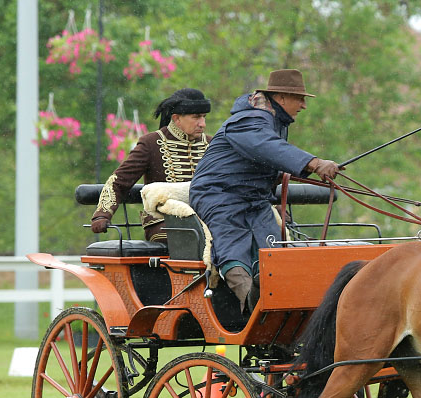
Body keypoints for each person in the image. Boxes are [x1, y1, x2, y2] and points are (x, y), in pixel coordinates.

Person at [189, 69, 340, 312]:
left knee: (273, 248)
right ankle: (255, 307)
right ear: (280, 98)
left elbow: (264, 159)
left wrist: (302, 172)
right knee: (233, 243)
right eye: (299, 99)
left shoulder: (273, 121)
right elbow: (267, 147)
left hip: (253, 198)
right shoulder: (250, 120)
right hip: (218, 195)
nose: (303, 106)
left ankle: (281, 306)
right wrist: (314, 163)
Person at [91, 88, 212, 242]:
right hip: (164, 222)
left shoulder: (211, 144)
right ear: (176, 118)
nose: (202, 124)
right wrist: (102, 214)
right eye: (196, 117)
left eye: (204, 117)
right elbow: (119, 181)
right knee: (191, 237)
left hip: (207, 220)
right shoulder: (152, 143)